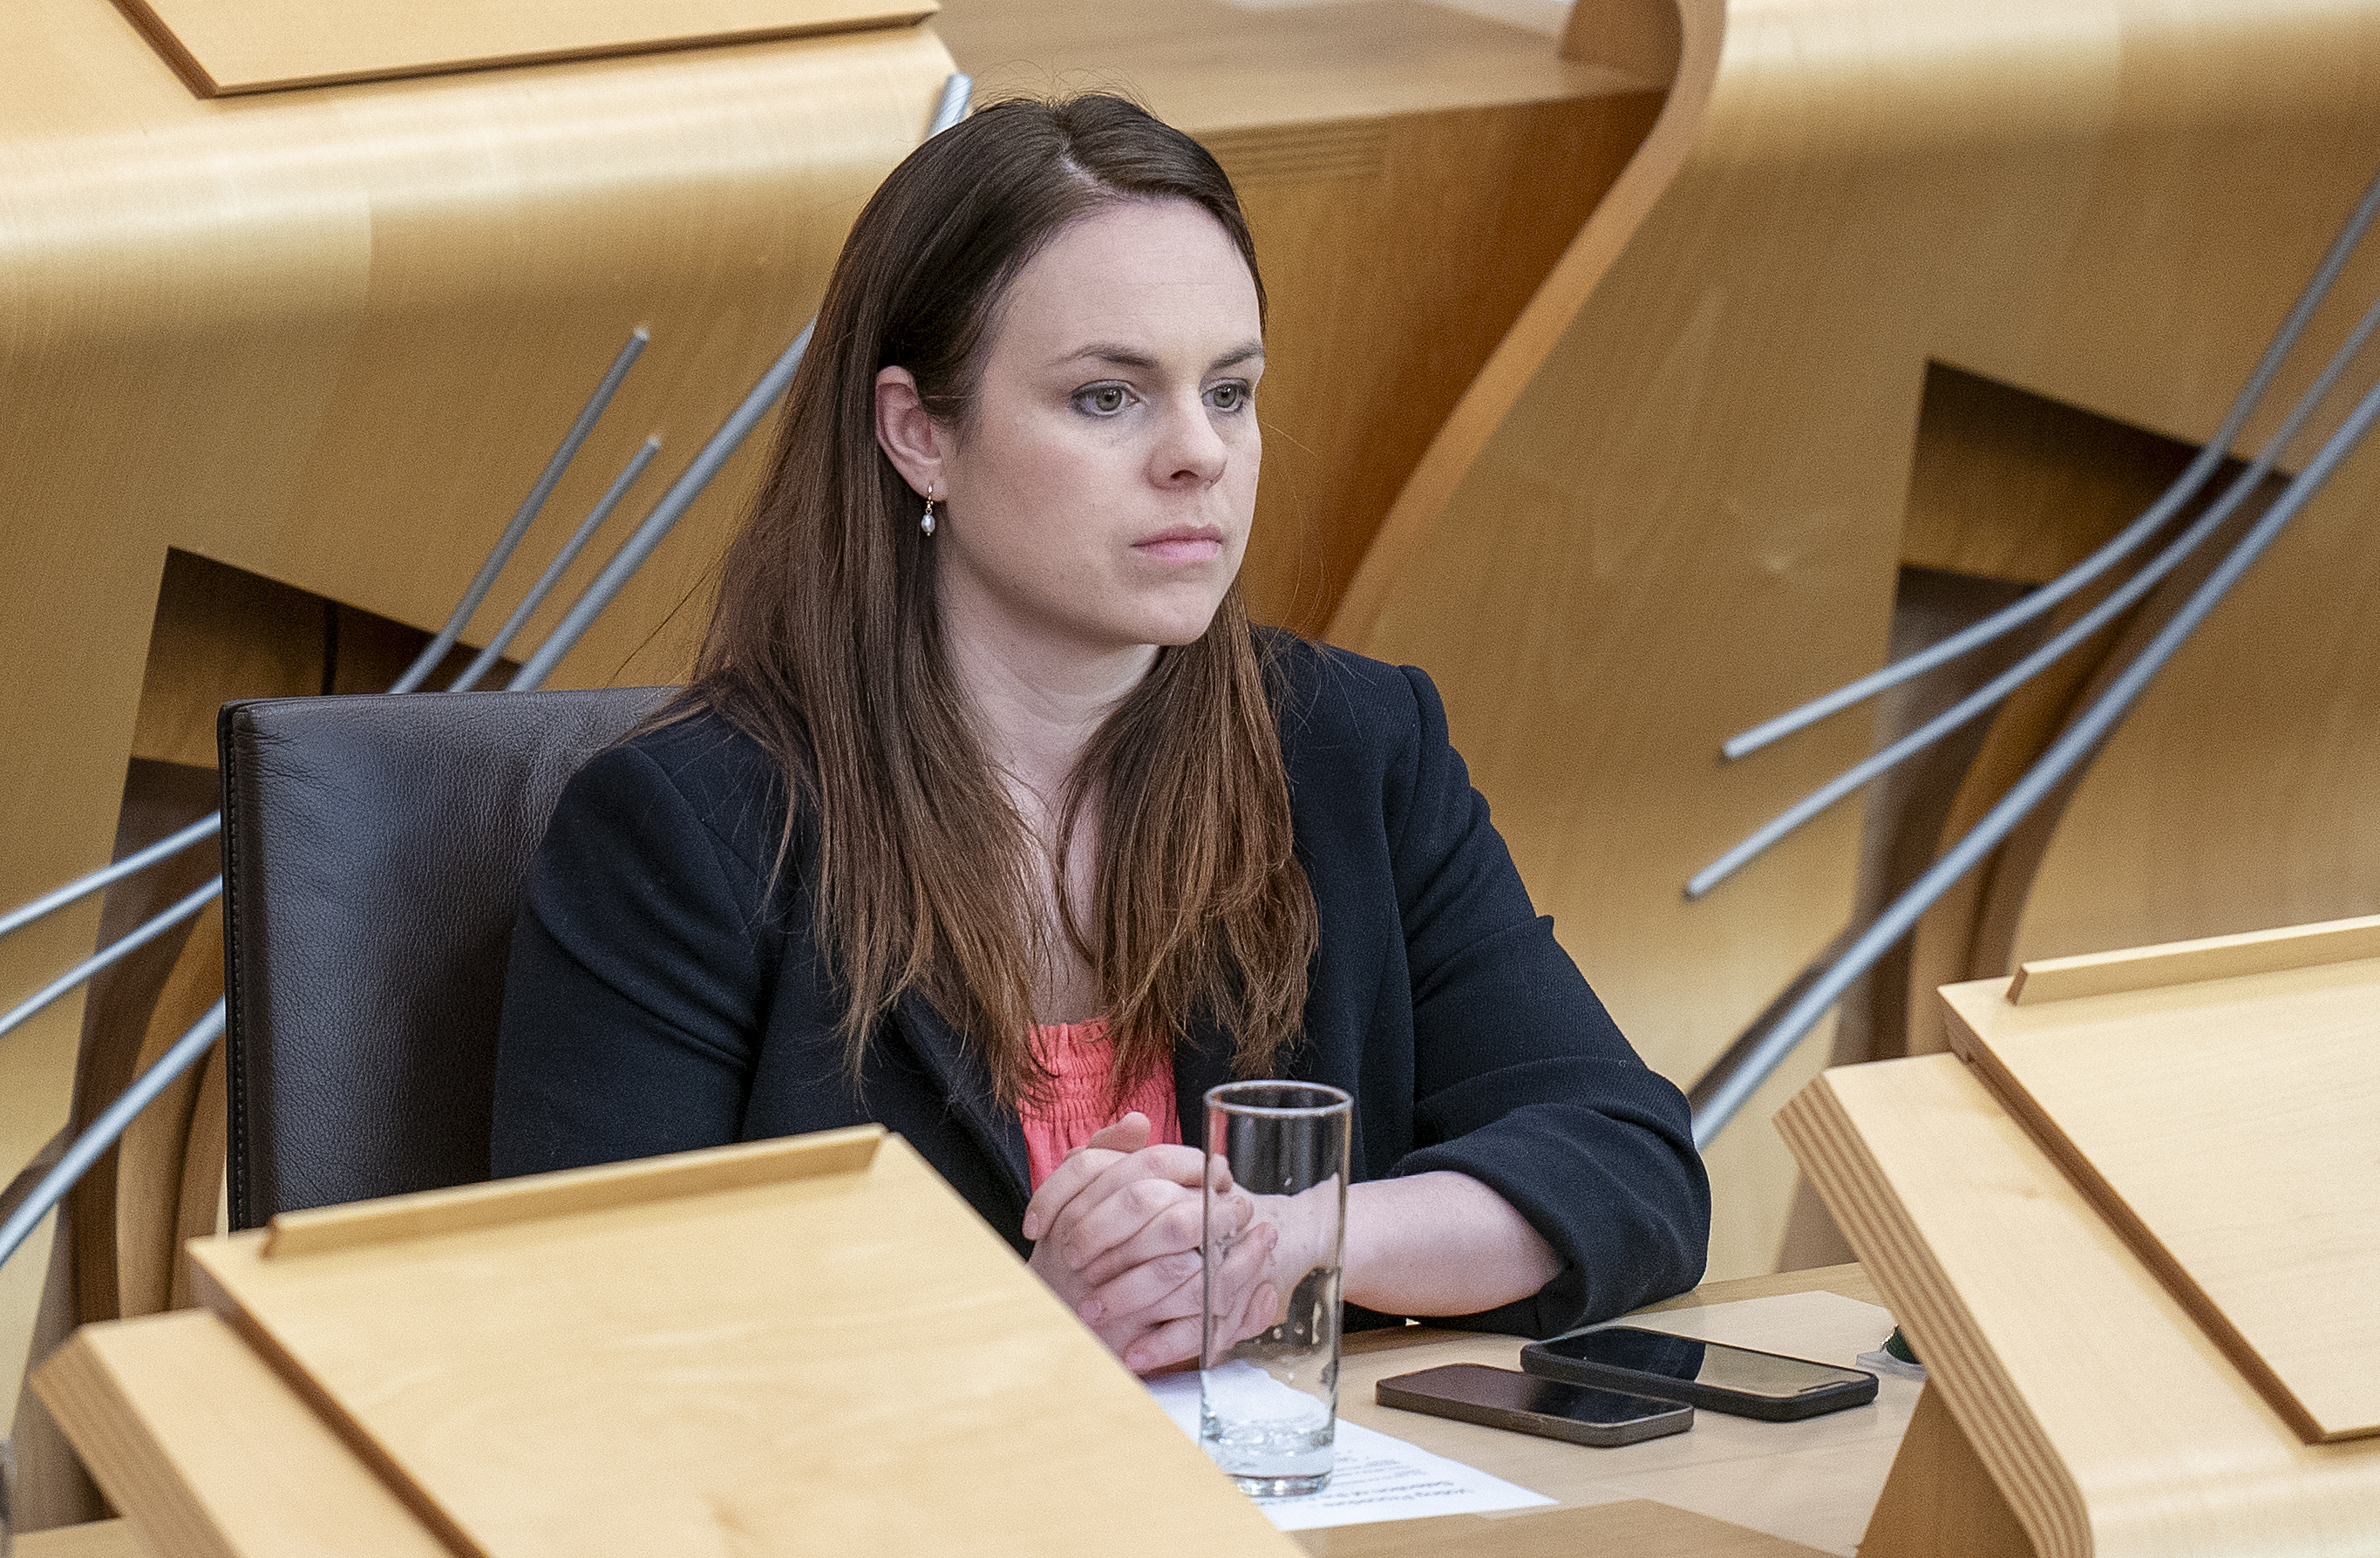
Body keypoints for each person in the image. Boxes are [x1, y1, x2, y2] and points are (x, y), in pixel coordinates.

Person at [493, 94, 1708, 1375]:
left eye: (1228, 391)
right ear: (919, 434)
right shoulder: (688, 830)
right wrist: (1025, 1327)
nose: (1200, 456)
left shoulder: (1353, 748)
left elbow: (1623, 1164)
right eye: (1107, 398)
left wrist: (1284, 1240)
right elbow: (603, 1351)